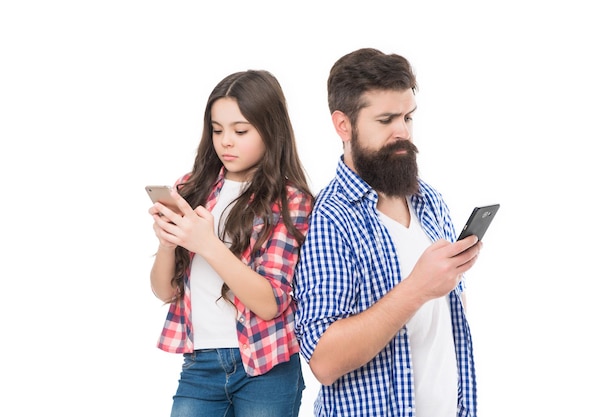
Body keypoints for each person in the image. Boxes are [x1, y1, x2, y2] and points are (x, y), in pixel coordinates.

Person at [294, 48, 483, 417]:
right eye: (386, 120)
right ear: (343, 125)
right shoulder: (331, 219)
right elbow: (323, 361)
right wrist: (417, 288)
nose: (403, 132)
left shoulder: (428, 199)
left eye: (408, 117)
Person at [149, 69, 314, 417]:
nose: (226, 141)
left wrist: (207, 244)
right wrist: (167, 243)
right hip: (200, 365)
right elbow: (164, 291)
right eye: (217, 129)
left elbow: (270, 303)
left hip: (265, 366)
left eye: (240, 131)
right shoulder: (192, 188)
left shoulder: (291, 201)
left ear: (271, 129)